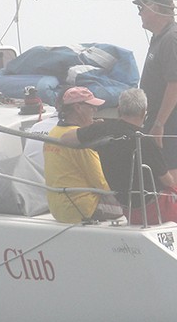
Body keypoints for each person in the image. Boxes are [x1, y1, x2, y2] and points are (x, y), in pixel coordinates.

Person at [61, 88, 177, 294]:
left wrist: (93, 132)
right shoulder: (145, 141)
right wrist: (159, 147)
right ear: (144, 112)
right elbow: (169, 181)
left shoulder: (104, 130)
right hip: (152, 208)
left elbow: (66, 138)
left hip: (128, 208)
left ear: (119, 109)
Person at [134, 0, 177, 186]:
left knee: (170, 169)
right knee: (160, 167)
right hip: (164, 114)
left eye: (142, 8)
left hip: (174, 115)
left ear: (155, 8)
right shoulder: (160, 37)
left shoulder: (171, 38)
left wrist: (159, 124)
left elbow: (176, 84)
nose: (140, 14)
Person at [43, 87, 122, 224]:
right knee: (131, 206)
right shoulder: (80, 141)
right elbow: (101, 182)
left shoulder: (53, 133)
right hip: (83, 208)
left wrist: (90, 129)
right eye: (91, 107)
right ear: (78, 107)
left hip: (58, 208)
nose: (95, 111)